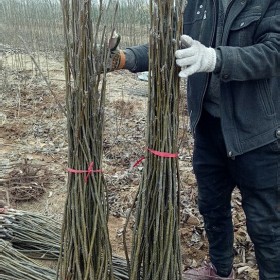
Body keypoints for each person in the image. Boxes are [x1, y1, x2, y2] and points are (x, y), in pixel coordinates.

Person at [109, 1, 280, 279]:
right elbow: (170, 46)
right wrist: (124, 59)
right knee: (212, 206)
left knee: (265, 223)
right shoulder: (199, 4)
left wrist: (216, 58)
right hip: (209, 127)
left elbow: (275, 52)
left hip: (255, 133)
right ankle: (220, 269)